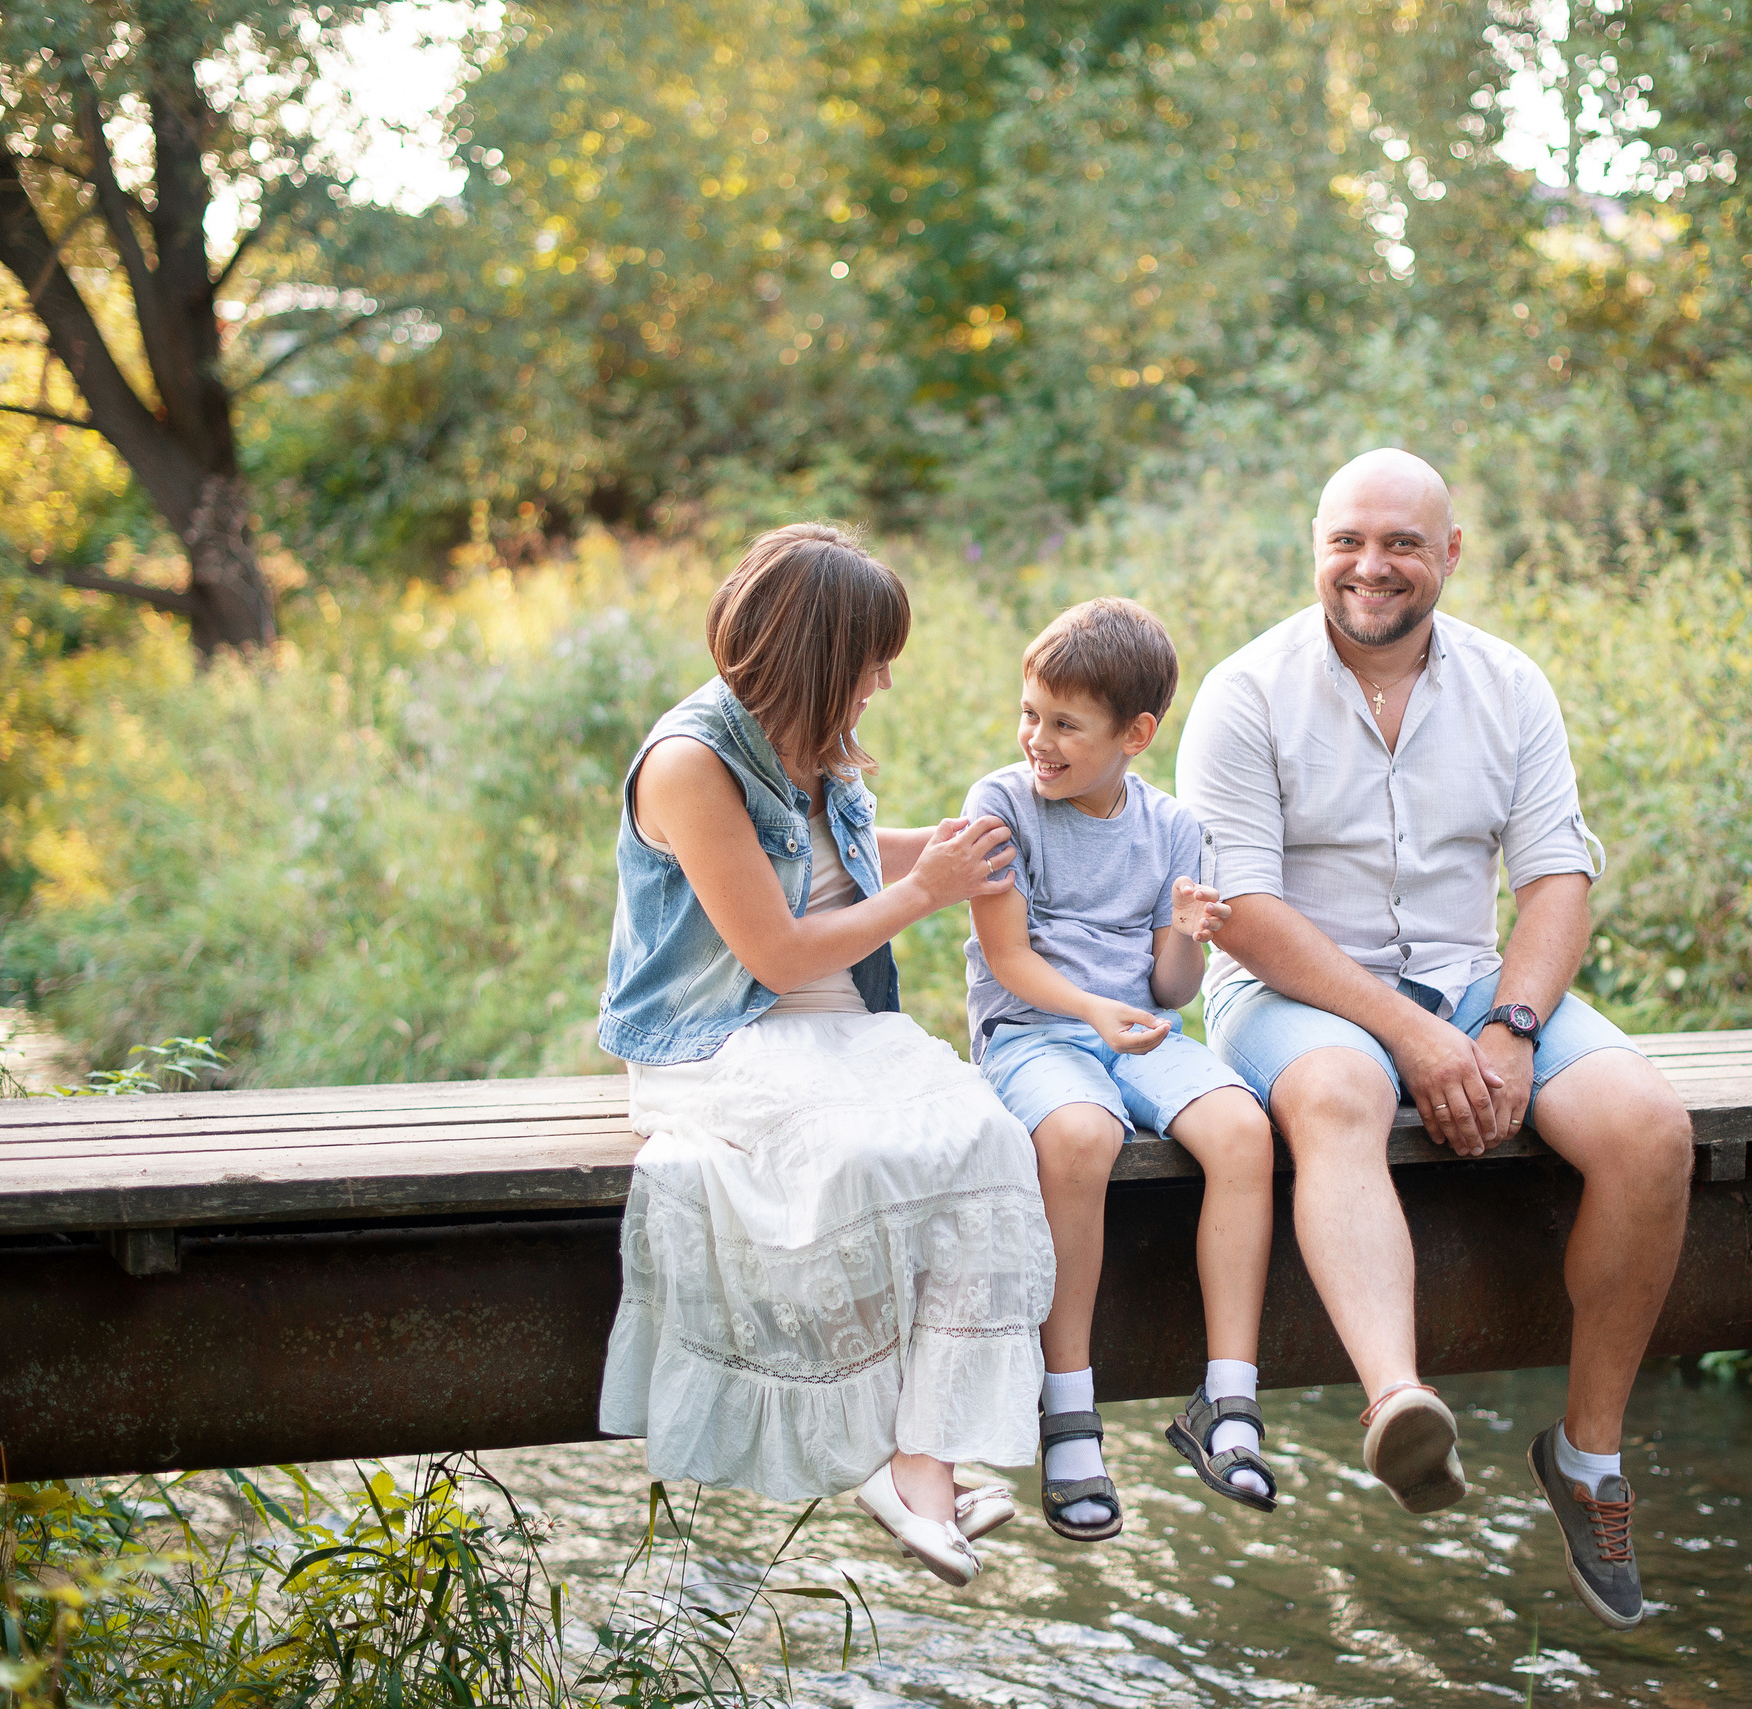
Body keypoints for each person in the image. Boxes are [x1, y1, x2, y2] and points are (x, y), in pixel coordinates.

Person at [1175, 449, 1695, 1630]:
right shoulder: (1245, 691)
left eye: (1402, 542)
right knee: (1341, 1091)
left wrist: (1507, 1027)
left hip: (1471, 983)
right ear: (1313, 546)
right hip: (1289, 986)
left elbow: (1557, 874)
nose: (1372, 566)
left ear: (1449, 552)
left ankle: (1588, 1458)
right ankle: (1398, 1401)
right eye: (1348, 540)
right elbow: (1244, 910)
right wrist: (1413, 1035)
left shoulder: (1510, 684)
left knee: (1651, 1129)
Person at [595, 523, 1055, 1589]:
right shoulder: (690, 762)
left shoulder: (815, 740)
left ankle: (922, 1455)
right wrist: (924, 893)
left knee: (985, 1138)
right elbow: (774, 944)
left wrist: (959, 848)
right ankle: (885, 1459)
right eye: (871, 656)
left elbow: (838, 864)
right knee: (853, 1158)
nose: (884, 679)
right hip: (721, 1034)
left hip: (843, 1022)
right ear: (816, 652)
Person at [959, 598, 1280, 1543]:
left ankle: (1226, 1400)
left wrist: (1186, 936)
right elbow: (1009, 960)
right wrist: (1098, 1011)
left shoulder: (1174, 827)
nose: (1036, 740)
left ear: (1136, 734)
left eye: (1065, 724)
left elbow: (1171, 985)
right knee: (1081, 1133)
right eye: (1029, 713)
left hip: (1137, 1029)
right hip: (1032, 1033)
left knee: (1242, 1127)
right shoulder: (1001, 804)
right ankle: (1067, 1405)